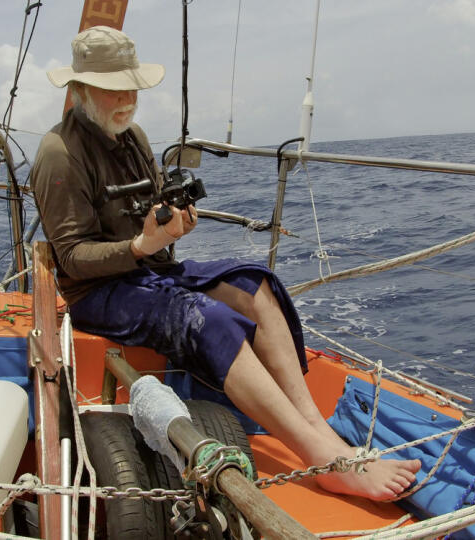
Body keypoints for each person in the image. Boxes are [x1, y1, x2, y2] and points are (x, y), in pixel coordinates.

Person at [29, 25, 420, 501]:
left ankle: (318, 428)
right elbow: (71, 257)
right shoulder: (58, 154)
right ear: (81, 90)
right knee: (208, 319)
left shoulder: (132, 136)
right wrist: (140, 247)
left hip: (148, 270)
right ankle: (323, 460)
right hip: (99, 292)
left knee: (255, 283)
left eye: (131, 87)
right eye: (114, 89)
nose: (127, 98)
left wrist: (170, 228)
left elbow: (153, 217)